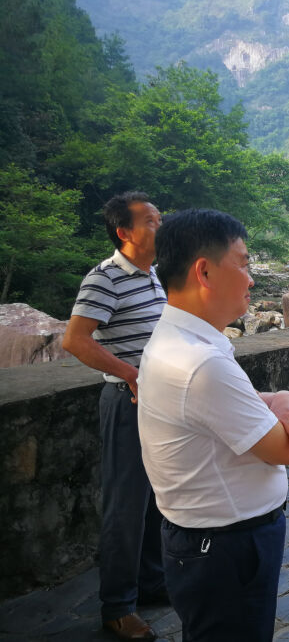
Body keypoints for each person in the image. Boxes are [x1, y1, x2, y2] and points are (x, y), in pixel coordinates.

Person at [137, 209, 289, 641]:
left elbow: (233, 405)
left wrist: (283, 396)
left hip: (206, 540)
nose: (251, 279)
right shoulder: (200, 363)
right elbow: (284, 448)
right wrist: (287, 401)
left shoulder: (181, 339)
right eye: (244, 264)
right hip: (224, 548)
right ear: (205, 271)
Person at [62, 191, 167, 641]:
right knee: (125, 506)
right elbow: (75, 339)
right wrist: (130, 373)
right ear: (125, 232)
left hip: (159, 402)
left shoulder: (155, 274)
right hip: (127, 402)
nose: (160, 225)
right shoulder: (105, 277)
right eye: (151, 221)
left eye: (160, 218)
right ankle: (118, 607)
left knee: (156, 500)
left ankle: (152, 582)